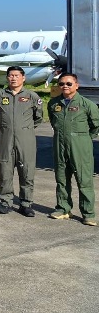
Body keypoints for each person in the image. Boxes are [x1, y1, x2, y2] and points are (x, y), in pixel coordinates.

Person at [0, 66, 43, 216]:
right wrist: (5, 128)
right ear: (7, 78)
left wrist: (24, 129)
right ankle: (6, 202)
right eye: (11, 75)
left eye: (17, 75)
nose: (13, 78)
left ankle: (26, 204)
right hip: (5, 139)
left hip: (25, 140)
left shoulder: (32, 96)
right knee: (4, 170)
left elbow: (38, 117)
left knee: (27, 171)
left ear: (23, 78)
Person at [47, 73, 99, 225]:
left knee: (84, 180)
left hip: (80, 146)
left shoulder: (87, 104)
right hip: (60, 144)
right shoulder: (53, 103)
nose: (65, 86)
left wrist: (82, 138)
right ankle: (63, 208)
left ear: (76, 85)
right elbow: (53, 122)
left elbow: (95, 125)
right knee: (61, 178)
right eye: (61, 83)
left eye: (69, 83)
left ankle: (88, 214)